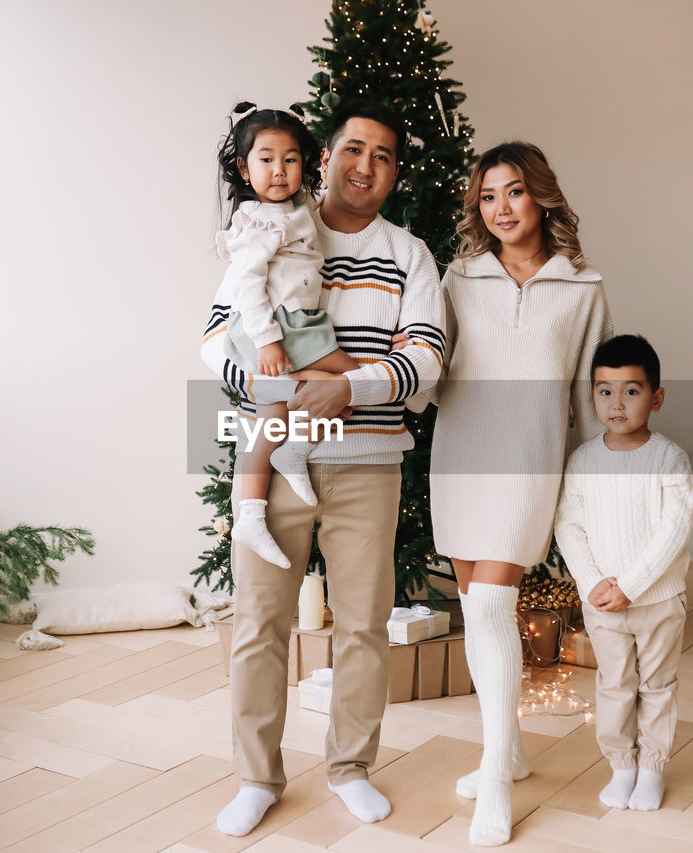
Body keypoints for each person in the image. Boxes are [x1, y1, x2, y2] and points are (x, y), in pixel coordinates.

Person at [199, 101, 445, 837]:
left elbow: (427, 362)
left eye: (385, 156)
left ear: (394, 174)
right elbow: (215, 340)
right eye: (354, 150)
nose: (366, 165)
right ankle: (257, 777)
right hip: (275, 465)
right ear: (326, 156)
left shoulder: (409, 255)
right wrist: (276, 385)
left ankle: (350, 767)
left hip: (368, 464)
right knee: (258, 622)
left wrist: (351, 387)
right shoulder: (272, 228)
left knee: (364, 624)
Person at [429, 141, 613, 846]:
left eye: (513, 192)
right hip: (462, 454)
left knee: (494, 603)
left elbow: (591, 394)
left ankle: (496, 781)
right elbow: (432, 365)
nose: (500, 207)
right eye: (487, 196)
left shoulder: (582, 288)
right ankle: (507, 748)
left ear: (540, 196)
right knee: (480, 612)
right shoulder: (457, 278)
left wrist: (604, 477)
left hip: (529, 464)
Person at [553, 334, 693, 813]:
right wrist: (594, 582)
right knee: (615, 685)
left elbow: (674, 527)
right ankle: (622, 766)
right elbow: (569, 525)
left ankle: (653, 767)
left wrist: (631, 586)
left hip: (658, 600)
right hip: (602, 604)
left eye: (631, 391)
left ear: (656, 398)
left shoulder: (669, 459)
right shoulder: (583, 461)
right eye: (605, 391)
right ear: (592, 395)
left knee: (657, 686)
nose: (617, 403)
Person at [213, 102, 365, 570]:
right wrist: (266, 341)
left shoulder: (296, 208)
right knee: (350, 379)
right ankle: (251, 514)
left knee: (295, 406)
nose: (279, 170)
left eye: (290, 159)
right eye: (265, 159)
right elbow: (246, 286)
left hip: (298, 323)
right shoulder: (258, 220)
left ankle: (293, 452)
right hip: (279, 327)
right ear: (243, 166)